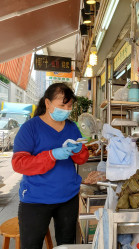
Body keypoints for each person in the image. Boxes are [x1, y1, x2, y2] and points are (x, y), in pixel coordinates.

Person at [12, 83, 89, 249]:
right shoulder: (30, 128)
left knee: (66, 244)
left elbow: (82, 159)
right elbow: (19, 164)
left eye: (69, 106)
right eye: (62, 105)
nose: (67, 110)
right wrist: (51, 155)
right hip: (36, 199)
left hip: (68, 197)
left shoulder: (72, 127)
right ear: (47, 103)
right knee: (31, 245)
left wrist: (78, 151)